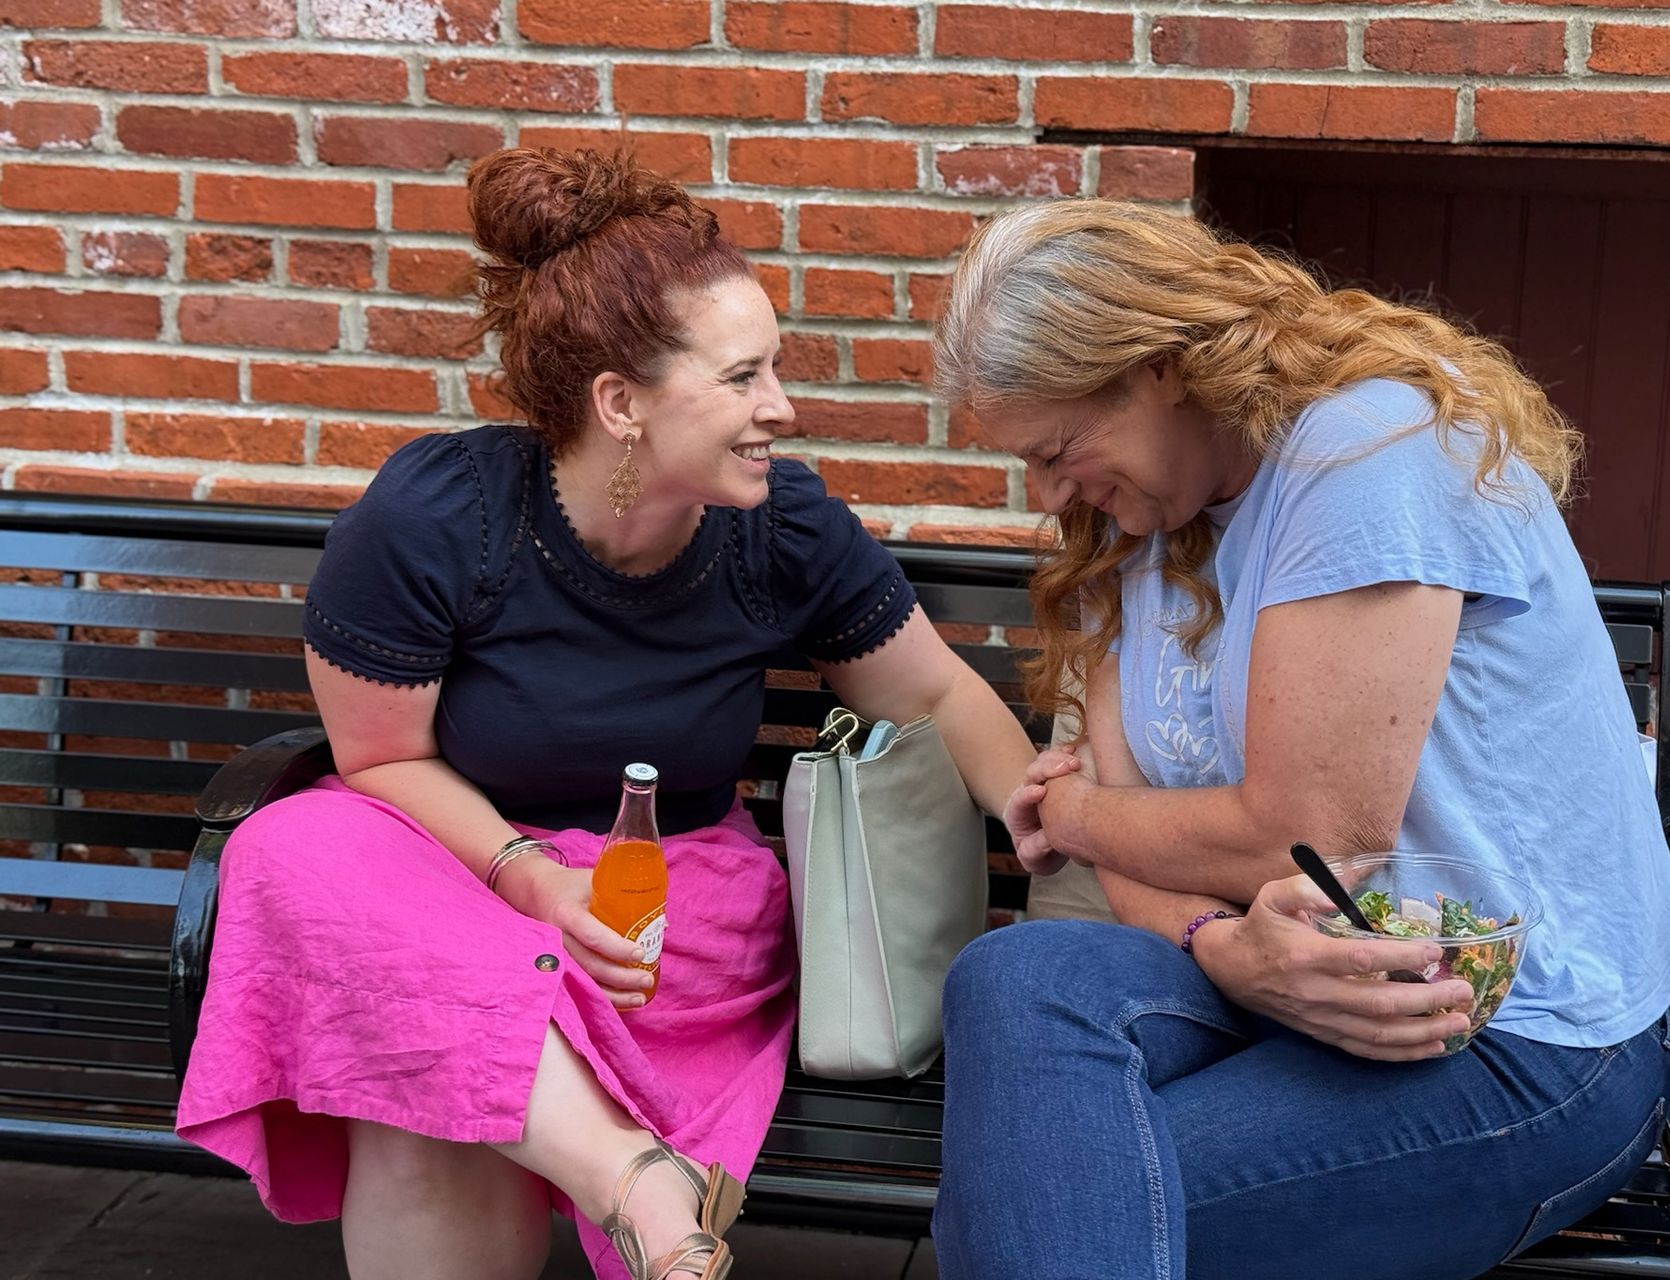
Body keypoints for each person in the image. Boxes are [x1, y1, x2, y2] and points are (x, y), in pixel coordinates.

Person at [175, 147, 1046, 1280]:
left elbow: (933, 691)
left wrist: (1047, 816)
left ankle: (630, 1174)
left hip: (656, 922)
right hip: (459, 876)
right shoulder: (438, 519)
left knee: (418, 1070)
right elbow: (380, 761)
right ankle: (635, 1178)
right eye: (741, 378)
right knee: (294, 842)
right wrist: (532, 874)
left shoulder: (779, 530)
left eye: (771, 370)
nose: (778, 407)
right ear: (620, 403)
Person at [933, 200, 1670, 1280]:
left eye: (1058, 450)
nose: (1051, 493)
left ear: (1156, 362)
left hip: (1513, 1027)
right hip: (1283, 986)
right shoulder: (1135, 528)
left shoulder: (1367, 451)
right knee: (1014, 977)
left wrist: (1067, 810)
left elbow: (1310, 835)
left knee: (1049, 1198)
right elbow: (1133, 862)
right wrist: (1220, 946)